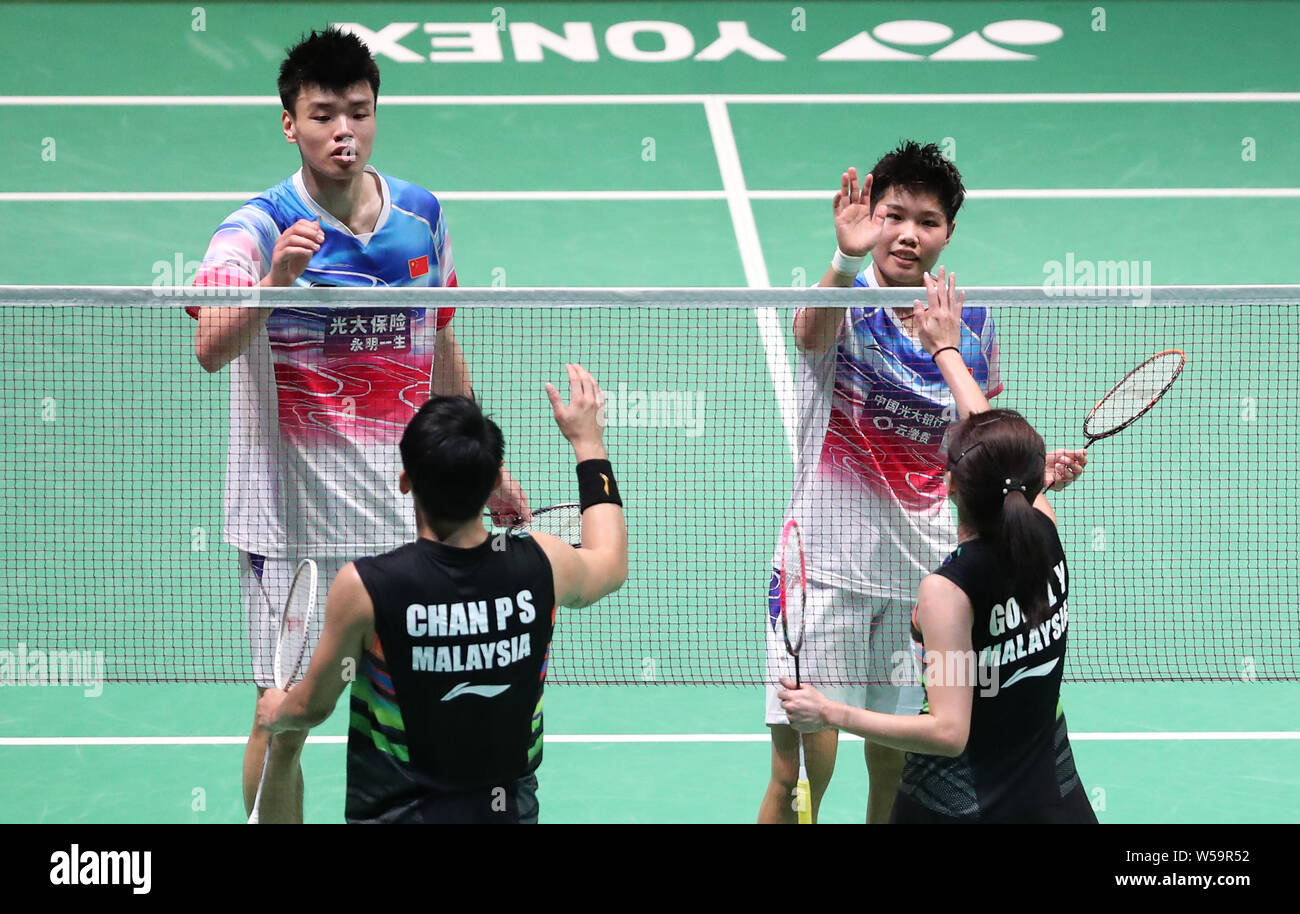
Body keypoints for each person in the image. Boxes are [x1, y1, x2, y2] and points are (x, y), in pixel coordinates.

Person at [186, 27, 530, 823]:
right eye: (322, 115)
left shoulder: (420, 214)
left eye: (359, 112)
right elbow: (208, 347)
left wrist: (487, 467)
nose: (344, 131)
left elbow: (440, 334)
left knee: (417, 712)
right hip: (293, 525)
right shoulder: (256, 228)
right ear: (289, 123)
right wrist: (276, 283)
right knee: (286, 722)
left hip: (402, 515)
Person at [759, 142, 1087, 824]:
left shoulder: (972, 325)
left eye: (927, 220)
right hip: (826, 570)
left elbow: (979, 434)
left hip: (926, 579)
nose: (908, 233)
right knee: (804, 770)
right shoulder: (845, 300)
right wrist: (845, 259)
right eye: (893, 215)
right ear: (868, 216)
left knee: (898, 765)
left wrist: (1025, 476)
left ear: (949, 232)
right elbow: (809, 338)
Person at [255, 363, 627, 823]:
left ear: (405, 480)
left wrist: (279, 716)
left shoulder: (367, 587)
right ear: (494, 482)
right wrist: (588, 443)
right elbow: (610, 563)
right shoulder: (544, 563)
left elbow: (310, 708)